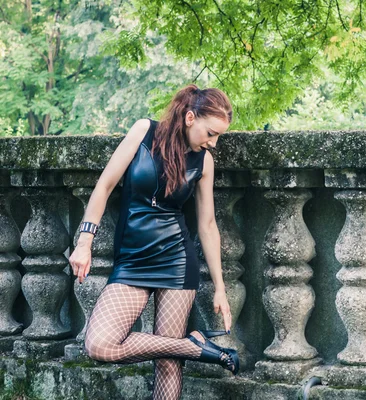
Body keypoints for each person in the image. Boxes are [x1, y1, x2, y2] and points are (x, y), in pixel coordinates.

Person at [68, 85, 238, 400]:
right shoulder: (145, 132)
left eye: (218, 137)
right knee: (99, 344)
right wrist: (84, 241)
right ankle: (193, 346)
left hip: (176, 262)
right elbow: (104, 186)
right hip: (132, 260)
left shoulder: (204, 163)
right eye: (210, 133)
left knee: (169, 365)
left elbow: (208, 225)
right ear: (190, 117)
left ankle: (187, 348)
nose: (213, 142)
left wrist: (220, 288)